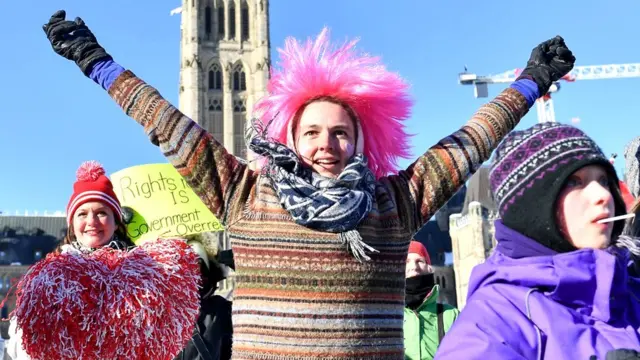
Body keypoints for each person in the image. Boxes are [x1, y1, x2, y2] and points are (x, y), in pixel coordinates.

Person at [42, 10, 574, 359]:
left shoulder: (394, 202)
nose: (326, 144)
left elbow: (469, 143)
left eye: (341, 133)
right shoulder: (244, 195)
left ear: (361, 141)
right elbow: (168, 125)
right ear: (291, 138)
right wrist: (98, 63)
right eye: (313, 131)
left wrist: (530, 83)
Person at [434, 122, 640, 360]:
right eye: (574, 181)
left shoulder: (630, 291)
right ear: (533, 205)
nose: (603, 194)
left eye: (604, 180)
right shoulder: (491, 323)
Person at [5, 161, 203, 360]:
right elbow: (21, 344)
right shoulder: (48, 279)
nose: (91, 221)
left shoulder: (147, 273)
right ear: (72, 225)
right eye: (82, 214)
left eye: (101, 213)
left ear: (116, 222)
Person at [404, 241, 458, 360]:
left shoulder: (451, 316)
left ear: (430, 269)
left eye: (420, 261)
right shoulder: (388, 317)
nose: (414, 267)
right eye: (406, 262)